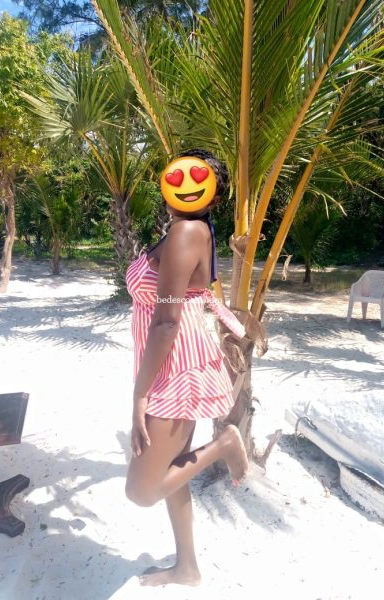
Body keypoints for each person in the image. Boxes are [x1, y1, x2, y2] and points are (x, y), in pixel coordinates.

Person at [125, 148, 249, 587]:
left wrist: (139, 395)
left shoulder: (186, 232)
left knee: (141, 491)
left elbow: (166, 321)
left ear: (212, 194)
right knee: (173, 471)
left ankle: (225, 443)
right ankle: (187, 567)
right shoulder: (187, 230)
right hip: (176, 361)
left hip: (175, 368)